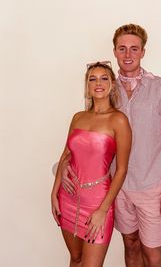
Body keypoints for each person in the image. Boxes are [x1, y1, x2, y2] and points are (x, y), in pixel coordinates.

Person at [62, 24, 161, 267]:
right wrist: (64, 165)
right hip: (116, 189)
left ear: (143, 52)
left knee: (153, 254)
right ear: (115, 52)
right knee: (130, 243)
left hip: (151, 187)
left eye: (134, 49)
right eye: (122, 49)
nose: (128, 54)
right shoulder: (106, 87)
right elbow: (87, 138)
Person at [51, 61, 132, 267]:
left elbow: (122, 169)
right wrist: (54, 192)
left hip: (98, 202)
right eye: (92, 79)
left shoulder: (119, 120)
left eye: (104, 78)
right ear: (87, 85)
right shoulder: (78, 117)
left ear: (112, 84)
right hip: (68, 198)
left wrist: (103, 210)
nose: (98, 83)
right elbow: (66, 154)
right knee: (75, 259)